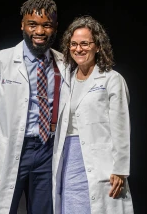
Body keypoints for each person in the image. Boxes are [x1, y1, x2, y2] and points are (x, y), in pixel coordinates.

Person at [0, 0, 69, 214]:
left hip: (47, 152)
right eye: (32, 24)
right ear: (22, 24)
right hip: (10, 149)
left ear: (55, 27)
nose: (39, 32)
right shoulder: (0, 61)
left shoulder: (64, 63)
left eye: (46, 25)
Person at [52, 15, 134, 214]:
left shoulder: (112, 80)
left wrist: (120, 168)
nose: (78, 49)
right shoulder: (67, 80)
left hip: (101, 163)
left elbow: (121, 127)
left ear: (97, 46)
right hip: (68, 160)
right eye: (73, 44)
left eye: (85, 43)